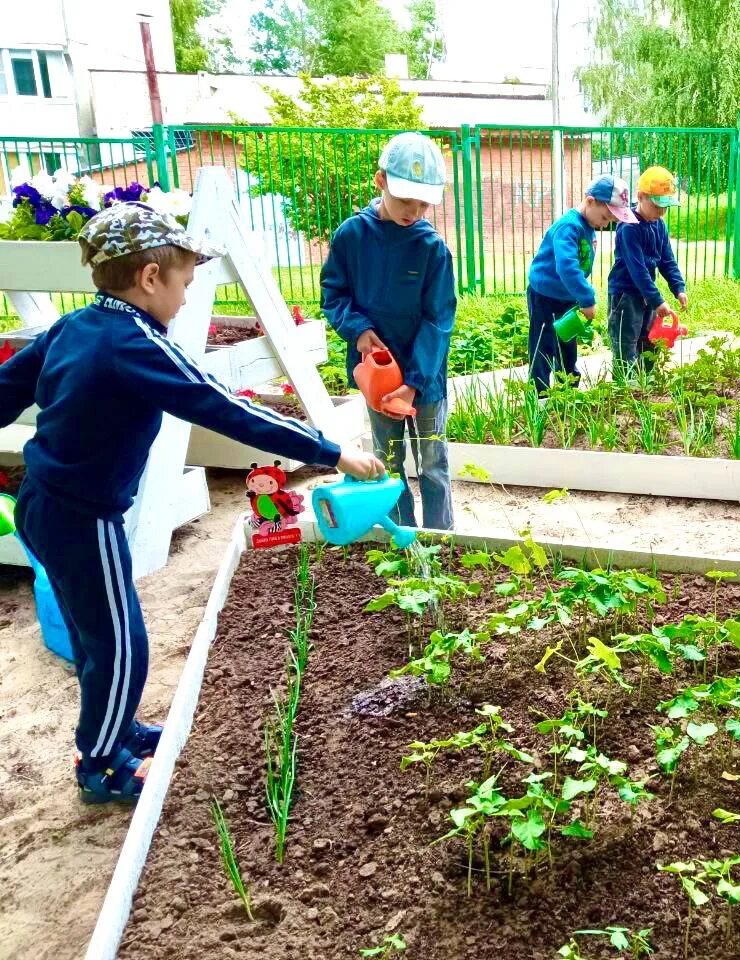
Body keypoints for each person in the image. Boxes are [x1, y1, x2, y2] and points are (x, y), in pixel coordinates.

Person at [0, 203, 384, 805]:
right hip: (81, 515)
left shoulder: (77, 327)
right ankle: (101, 765)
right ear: (150, 278)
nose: (184, 297)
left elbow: (7, 387)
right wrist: (331, 452)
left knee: (96, 632)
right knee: (122, 644)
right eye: (182, 282)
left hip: (45, 502)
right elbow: (223, 405)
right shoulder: (135, 343)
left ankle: (118, 730)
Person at [321, 131, 456, 530]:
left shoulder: (432, 249)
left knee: (433, 462)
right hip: (378, 380)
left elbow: (439, 321)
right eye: (404, 199)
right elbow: (334, 293)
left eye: (422, 203)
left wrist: (414, 383)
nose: (413, 210)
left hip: (423, 381)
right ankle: (404, 538)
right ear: (380, 181)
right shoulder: (351, 236)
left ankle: (440, 538)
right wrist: (358, 329)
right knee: (389, 459)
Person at [527, 175, 636, 393]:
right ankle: (538, 393)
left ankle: (569, 388)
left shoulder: (588, 224)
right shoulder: (569, 227)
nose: (605, 224)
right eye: (605, 217)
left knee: (567, 341)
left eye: (611, 221)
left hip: (567, 296)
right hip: (545, 296)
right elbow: (567, 267)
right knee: (543, 344)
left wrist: (578, 295)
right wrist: (587, 297)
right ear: (590, 201)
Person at [606, 165, 688, 380]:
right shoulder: (629, 227)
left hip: (646, 295)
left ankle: (646, 382)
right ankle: (627, 386)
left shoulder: (659, 225)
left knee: (650, 339)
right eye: (657, 205)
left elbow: (667, 260)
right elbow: (638, 270)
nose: (662, 212)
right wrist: (657, 300)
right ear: (641, 197)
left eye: (666, 207)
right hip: (626, 294)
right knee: (626, 341)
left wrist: (678, 287)